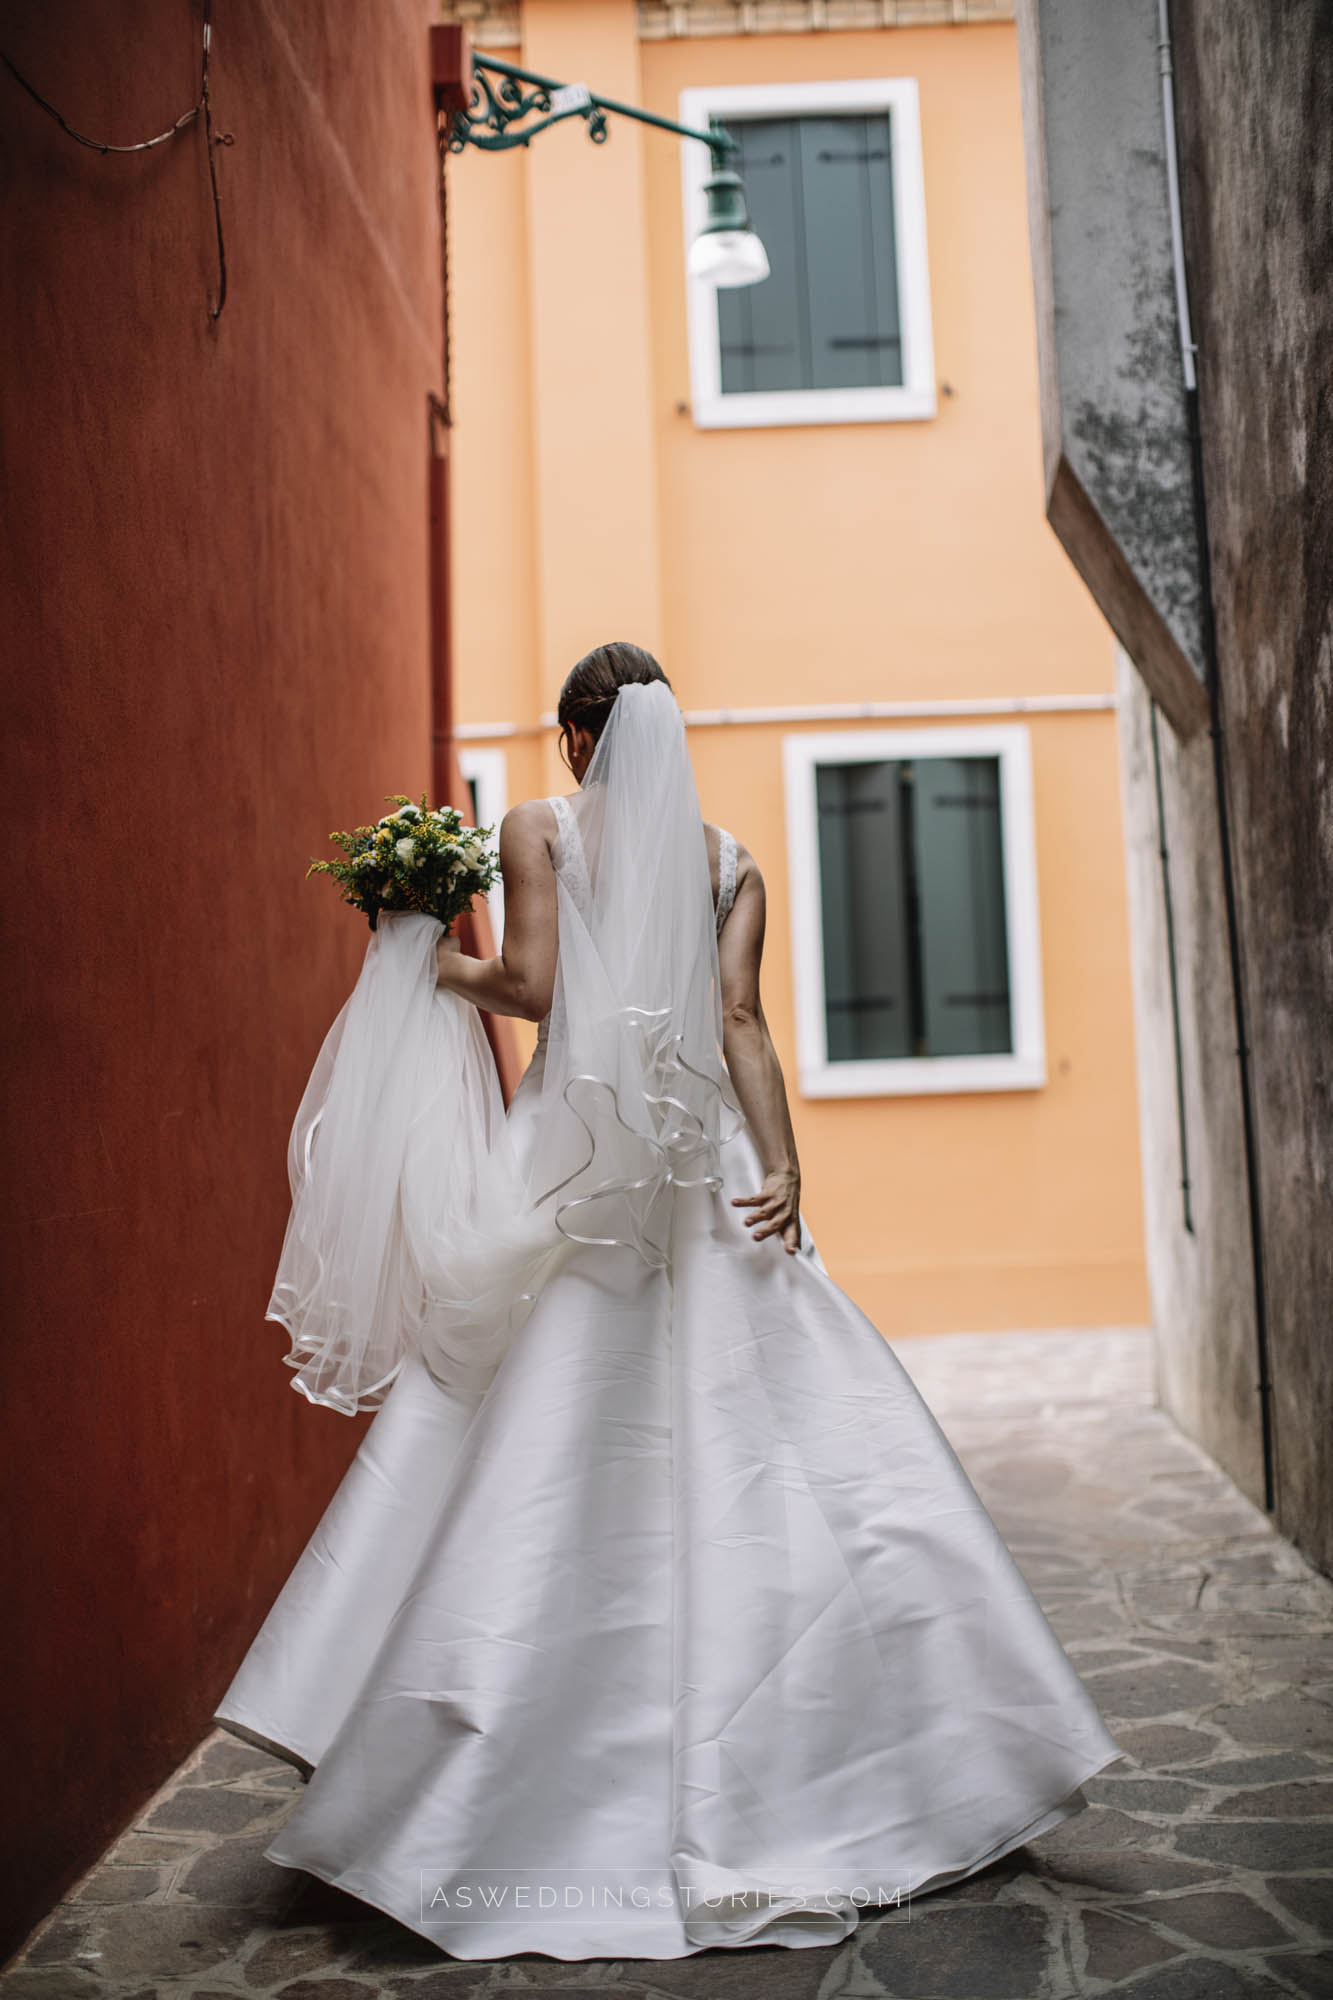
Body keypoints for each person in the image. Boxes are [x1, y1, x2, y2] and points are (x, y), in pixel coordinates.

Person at [215, 643, 1125, 1962]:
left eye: (570, 733)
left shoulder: (538, 828)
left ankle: (455, 1748)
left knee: (507, 1433)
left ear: (582, 736)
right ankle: (881, 1758)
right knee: (783, 1449)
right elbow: (740, 1020)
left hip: (570, 1177)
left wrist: (418, 955)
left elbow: (528, 990)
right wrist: (789, 1171)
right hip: (704, 1173)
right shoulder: (727, 857)